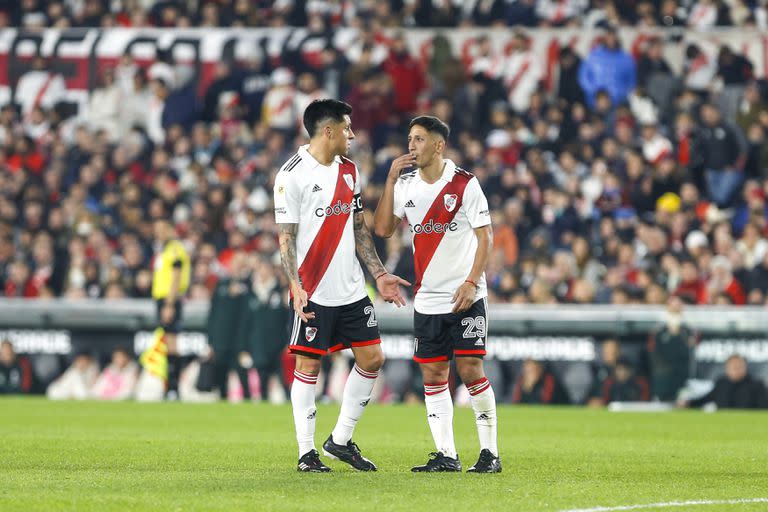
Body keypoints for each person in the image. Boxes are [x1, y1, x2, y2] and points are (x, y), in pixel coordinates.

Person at [273, 99, 410, 472]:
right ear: (328, 130)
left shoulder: (350, 170)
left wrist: (379, 274)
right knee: (309, 364)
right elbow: (286, 237)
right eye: (347, 128)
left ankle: (340, 440)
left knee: (373, 358)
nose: (352, 134)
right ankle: (306, 452)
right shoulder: (292, 175)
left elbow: (358, 227)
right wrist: (296, 287)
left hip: (351, 289)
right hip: (313, 288)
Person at [373, 115, 499, 473]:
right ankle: (447, 454)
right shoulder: (407, 185)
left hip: (466, 295)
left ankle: (490, 453)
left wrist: (472, 281)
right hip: (427, 298)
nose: (411, 146)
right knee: (433, 375)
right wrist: (390, 179)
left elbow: (485, 237)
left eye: (419, 140)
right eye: (410, 139)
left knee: (471, 368)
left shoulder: (464, 183)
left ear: (438, 145)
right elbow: (383, 228)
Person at [150, 218, 191, 399]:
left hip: (169, 300)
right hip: (164, 299)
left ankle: (173, 388)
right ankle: (170, 387)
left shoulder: (174, 249)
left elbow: (176, 276)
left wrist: (169, 304)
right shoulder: (165, 250)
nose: (158, 233)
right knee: (167, 344)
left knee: (172, 344)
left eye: (161, 229)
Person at [680, 354, 768, 409]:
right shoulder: (721, 384)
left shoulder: (757, 385)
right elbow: (705, 399)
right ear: (727, 369)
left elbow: (764, 407)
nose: (736, 369)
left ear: (745, 367)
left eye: (739, 366)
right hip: (722, 425)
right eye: (733, 367)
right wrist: (688, 403)